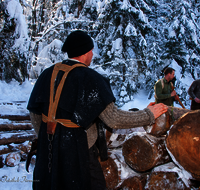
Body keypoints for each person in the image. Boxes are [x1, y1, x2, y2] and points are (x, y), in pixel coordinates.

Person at [27, 30, 168, 190]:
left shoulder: (47, 74)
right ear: (85, 52)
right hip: (80, 152)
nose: (92, 54)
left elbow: (35, 112)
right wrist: (148, 115)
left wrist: (47, 137)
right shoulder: (90, 78)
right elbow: (113, 118)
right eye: (91, 51)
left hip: (49, 149)